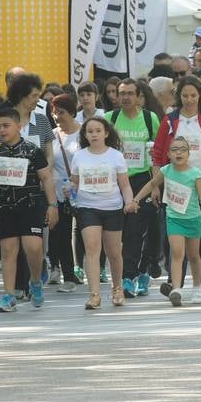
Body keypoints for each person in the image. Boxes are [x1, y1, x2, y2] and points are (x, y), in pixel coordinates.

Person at [151, 75, 201, 298]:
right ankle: (175, 283)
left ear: (200, 96)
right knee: (174, 233)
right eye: (185, 95)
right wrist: (156, 184)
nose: (189, 100)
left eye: (193, 95)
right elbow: (158, 153)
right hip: (175, 183)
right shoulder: (169, 120)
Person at [0, 104, 57, 313]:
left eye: (6, 125)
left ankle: (35, 281)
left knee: (33, 248)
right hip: (5, 208)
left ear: (19, 126)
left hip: (31, 206)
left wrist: (52, 205)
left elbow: (46, 177)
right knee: (7, 251)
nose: (1, 130)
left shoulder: (33, 151)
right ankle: (9, 294)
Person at [132, 136, 201, 307]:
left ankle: (198, 286)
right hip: (174, 218)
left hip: (193, 219)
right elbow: (151, 183)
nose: (179, 152)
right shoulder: (166, 171)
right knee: (177, 253)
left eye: (183, 149)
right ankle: (176, 289)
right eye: (175, 149)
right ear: (168, 154)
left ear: (188, 153)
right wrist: (136, 199)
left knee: (193, 256)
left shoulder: (195, 174)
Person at [69, 116, 132, 309]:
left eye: (98, 131)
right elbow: (74, 183)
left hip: (113, 207)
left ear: (106, 133)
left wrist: (129, 201)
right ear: (85, 135)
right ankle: (94, 294)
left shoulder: (116, 156)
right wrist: (70, 191)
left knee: (114, 252)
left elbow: (125, 184)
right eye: (90, 131)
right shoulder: (79, 156)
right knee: (92, 249)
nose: (94, 134)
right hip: (87, 207)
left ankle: (117, 288)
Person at [108, 79, 160, 298]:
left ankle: (132, 276)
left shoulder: (150, 119)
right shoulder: (110, 119)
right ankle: (131, 273)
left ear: (139, 97)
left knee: (137, 230)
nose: (125, 98)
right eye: (122, 94)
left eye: (130, 93)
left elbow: (158, 153)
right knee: (123, 231)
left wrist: (156, 184)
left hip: (143, 180)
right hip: (117, 182)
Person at [47, 95, 84, 292]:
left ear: (71, 112)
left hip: (83, 193)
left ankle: (87, 269)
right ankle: (68, 276)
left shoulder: (84, 133)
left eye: (61, 112)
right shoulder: (50, 135)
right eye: (54, 112)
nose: (56, 116)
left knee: (85, 233)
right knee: (60, 235)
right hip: (58, 193)